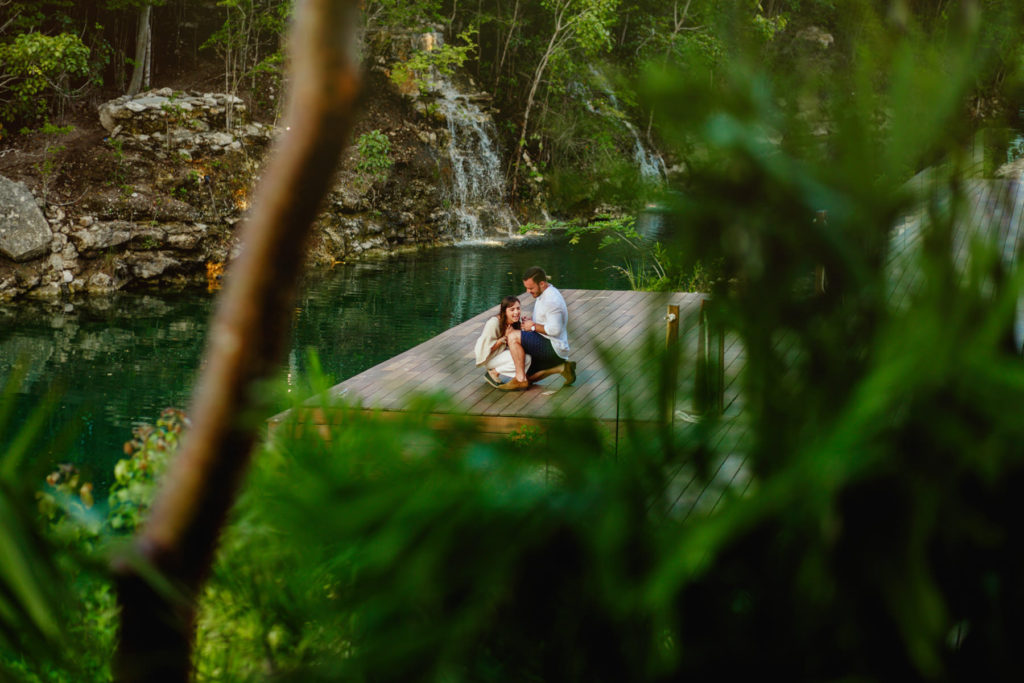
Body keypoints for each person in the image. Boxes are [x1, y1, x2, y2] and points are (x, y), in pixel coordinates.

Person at [510, 266, 576, 385]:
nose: (528, 291)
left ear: (542, 283)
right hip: (549, 343)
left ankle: (519, 380)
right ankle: (562, 368)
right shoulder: (545, 292)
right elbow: (548, 321)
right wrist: (531, 322)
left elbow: (555, 330)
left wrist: (533, 326)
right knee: (528, 378)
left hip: (553, 347)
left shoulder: (551, 301)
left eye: (531, 288)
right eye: (527, 288)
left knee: (512, 336)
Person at [474, 295, 532, 390]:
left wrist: (526, 327)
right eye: (512, 309)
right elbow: (485, 350)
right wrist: (504, 339)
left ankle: (519, 378)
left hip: (501, 354)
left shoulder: (516, 321)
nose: (516, 312)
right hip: (489, 357)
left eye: (518, 308)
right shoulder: (493, 323)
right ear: (504, 311)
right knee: (522, 358)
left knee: (528, 358)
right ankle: (493, 372)